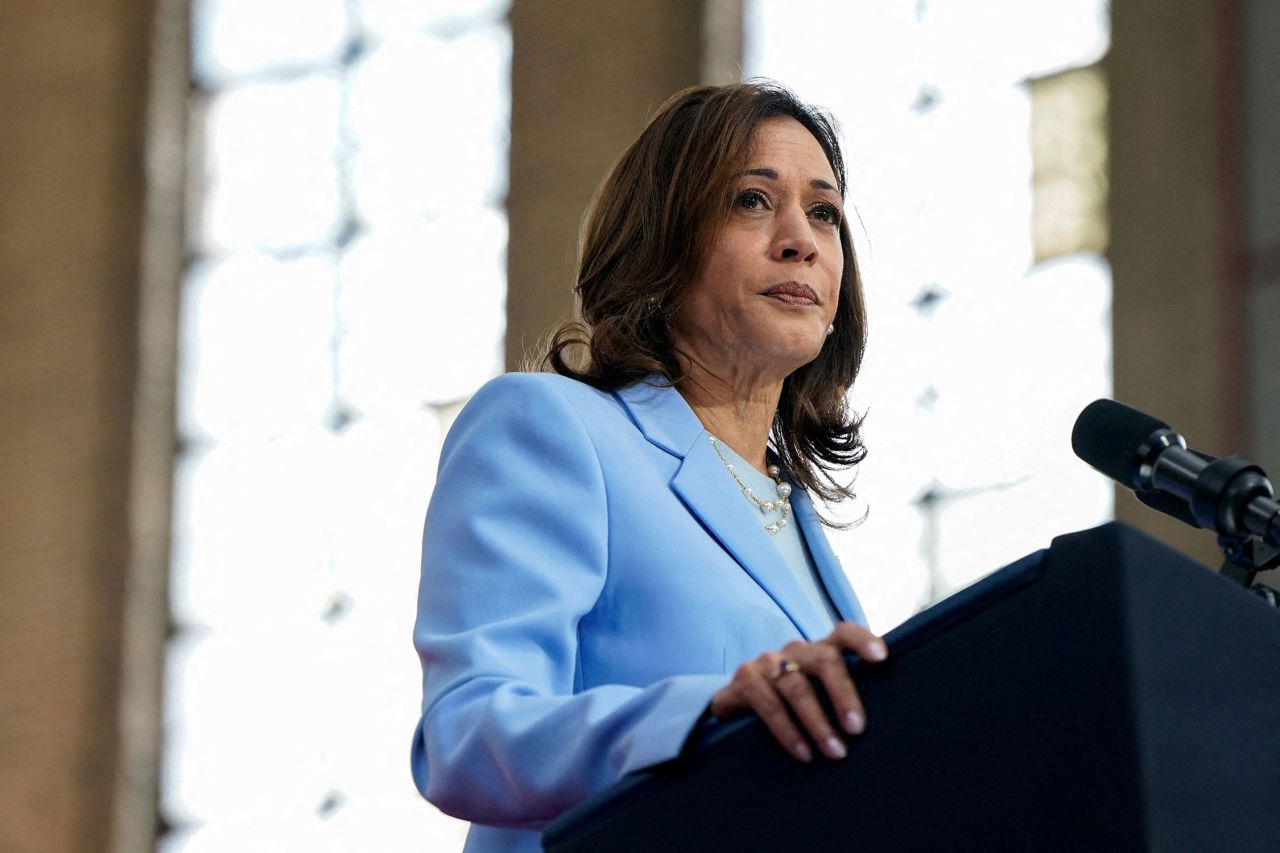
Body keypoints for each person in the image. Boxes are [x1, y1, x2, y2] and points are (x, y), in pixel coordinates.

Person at [411, 80, 889, 853]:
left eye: (824, 212)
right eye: (752, 200)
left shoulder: (795, 517)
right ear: (663, 237)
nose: (801, 237)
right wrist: (700, 716)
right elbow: (467, 734)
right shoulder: (550, 428)